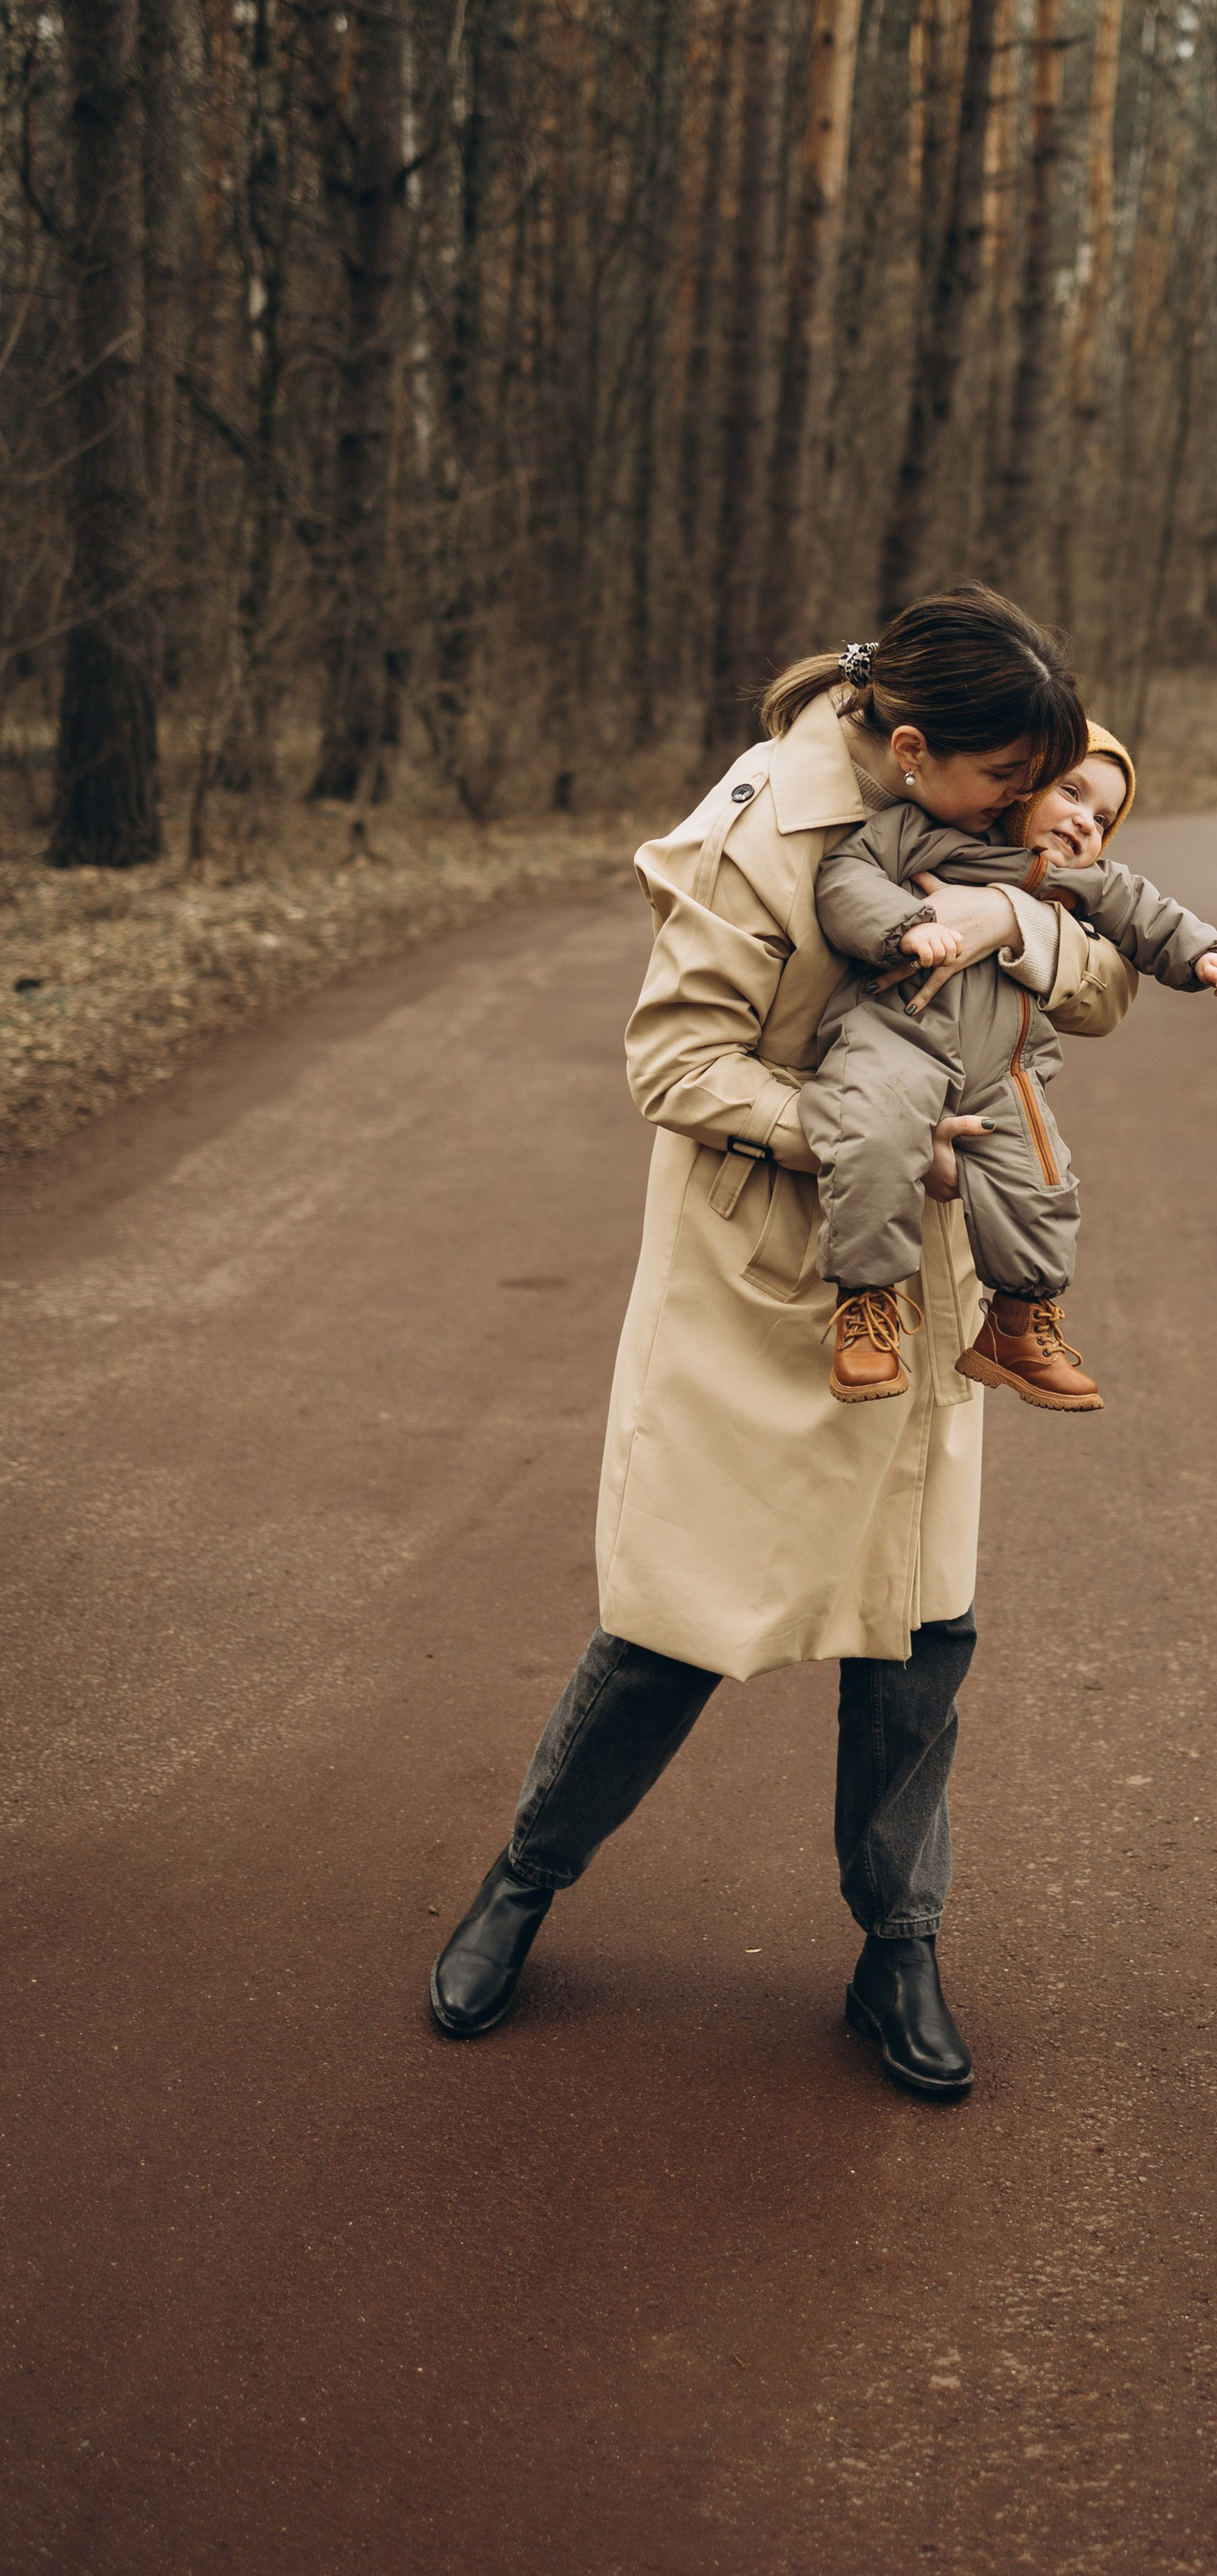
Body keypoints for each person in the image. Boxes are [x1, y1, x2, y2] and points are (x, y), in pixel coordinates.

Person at [427, 589, 1139, 2101]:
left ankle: (900, 1948)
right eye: (1007, 786)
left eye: (1040, 787)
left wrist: (1014, 917)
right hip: (769, 1265)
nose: (1030, 809)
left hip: (927, 1276)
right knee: (676, 1617)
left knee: (921, 1628)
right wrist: (861, 1134)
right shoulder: (767, 826)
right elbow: (674, 1061)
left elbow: (1103, 972)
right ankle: (524, 1883)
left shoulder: (995, 773)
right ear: (910, 748)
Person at [807, 725, 1217, 1414]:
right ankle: (866, 1304)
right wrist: (903, 927)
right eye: (1070, 791)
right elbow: (846, 879)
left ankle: (1016, 1324)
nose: (1085, 820)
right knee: (875, 1136)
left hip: (1002, 1066)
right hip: (896, 1037)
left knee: (1042, 1176)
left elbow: (1147, 912)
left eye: (1103, 818)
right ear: (1024, 781)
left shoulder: (1079, 882)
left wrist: (1204, 956)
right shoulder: (923, 832)